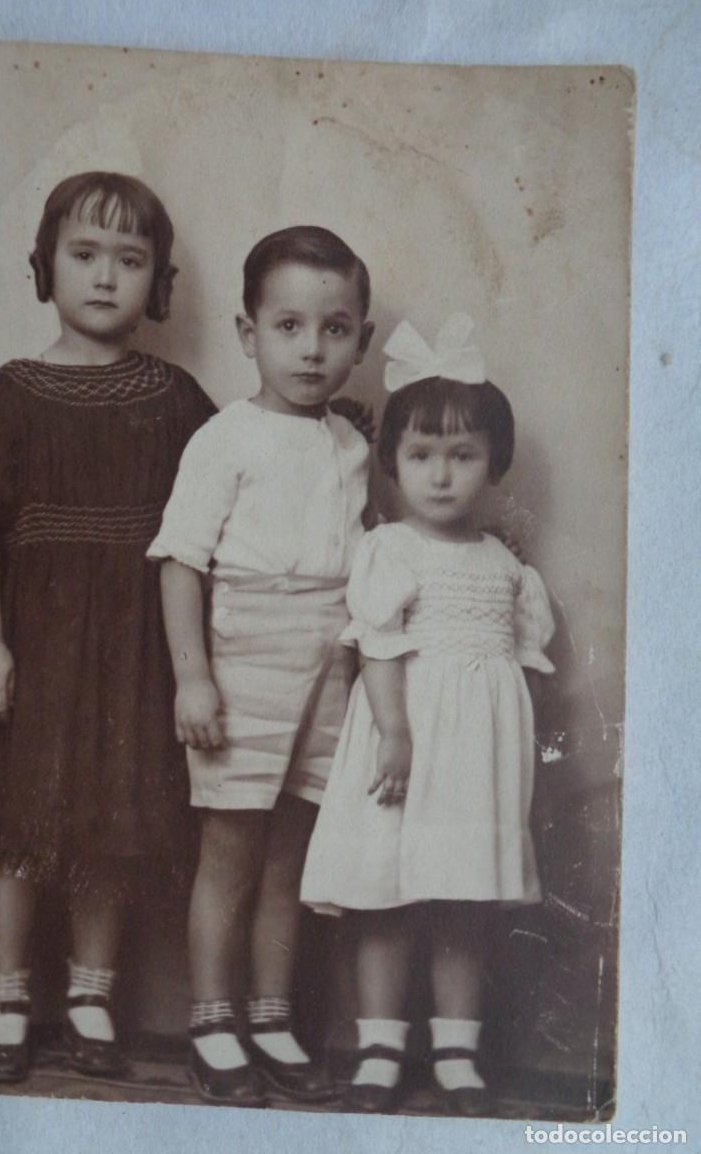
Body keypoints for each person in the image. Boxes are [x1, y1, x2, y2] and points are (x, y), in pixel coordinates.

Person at [0, 172, 215, 1084]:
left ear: (158, 283)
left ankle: (92, 999)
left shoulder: (178, 401)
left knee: (111, 831)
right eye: (84, 254)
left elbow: (217, 521)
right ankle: (6, 998)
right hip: (35, 649)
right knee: (20, 828)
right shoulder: (5, 395)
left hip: (136, 652)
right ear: (45, 267)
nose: (104, 277)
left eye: (129, 260)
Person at [301, 319, 555, 1115]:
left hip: (474, 756)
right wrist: (396, 734)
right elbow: (377, 648)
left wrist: (506, 756)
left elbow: (522, 669)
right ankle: (379, 1048)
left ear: (494, 464)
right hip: (403, 743)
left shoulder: (506, 564)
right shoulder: (391, 551)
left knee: (461, 902)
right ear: (393, 462)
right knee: (385, 897)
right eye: (420, 455)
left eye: (463, 455)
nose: (441, 476)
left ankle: (455, 1053)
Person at [148, 226, 374, 1106]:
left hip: (330, 664)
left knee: (292, 855)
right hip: (243, 659)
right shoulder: (224, 438)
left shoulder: (352, 446)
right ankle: (214, 1020)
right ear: (249, 335)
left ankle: (272, 1017)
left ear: (359, 339)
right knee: (231, 852)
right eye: (288, 326)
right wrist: (193, 677)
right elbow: (181, 563)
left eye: (335, 328)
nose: (312, 349)